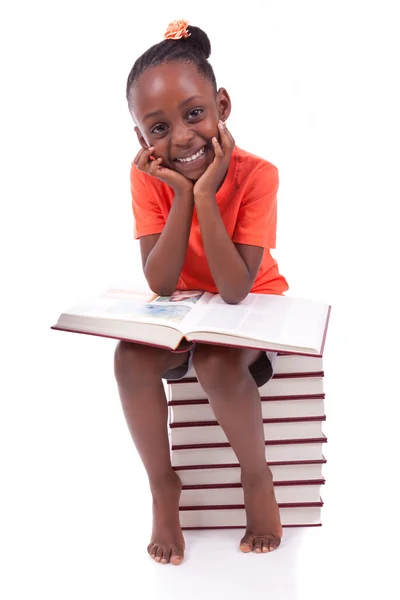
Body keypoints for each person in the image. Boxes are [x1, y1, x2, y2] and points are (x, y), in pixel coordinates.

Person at [114, 19, 289, 566]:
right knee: (128, 359)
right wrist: (181, 196)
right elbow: (160, 283)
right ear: (142, 140)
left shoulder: (258, 175)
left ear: (223, 107)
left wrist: (207, 194)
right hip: (188, 306)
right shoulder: (148, 176)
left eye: (195, 115)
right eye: (158, 128)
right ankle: (164, 486)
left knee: (216, 363)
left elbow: (237, 288)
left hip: (251, 302)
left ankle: (257, 478)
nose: (182, 137)